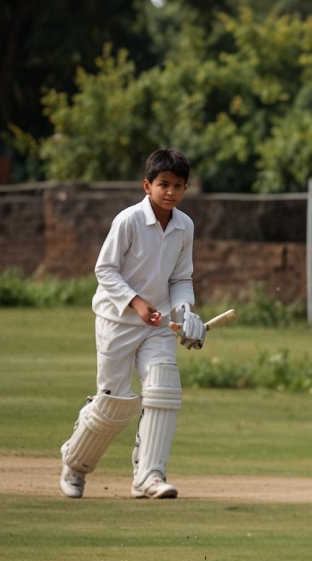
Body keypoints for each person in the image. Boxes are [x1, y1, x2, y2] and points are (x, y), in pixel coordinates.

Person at [59, 148, 205, 500]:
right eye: (163, 184)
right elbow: (104, 269)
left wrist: (183, 312)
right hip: (117, 321)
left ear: (185, 189)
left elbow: (182, 277)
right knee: (115, 402)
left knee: (163, 388)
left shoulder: (185, 226)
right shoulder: (128, 221)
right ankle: (75, 464)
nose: (170, 192)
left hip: (157, 325)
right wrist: (137, 303)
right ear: (147, 185)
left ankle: (149, 477)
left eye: (178, 186)